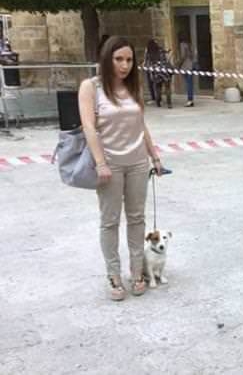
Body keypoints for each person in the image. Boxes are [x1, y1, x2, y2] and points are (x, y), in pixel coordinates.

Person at [78, 36, 166, 301]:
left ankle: (137, 272)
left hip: (138, 162)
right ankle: (114, 275)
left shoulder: (133, 86)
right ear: (107, 59)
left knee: (137, 219)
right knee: (110, 221)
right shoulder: (90, 87)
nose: (124, 65)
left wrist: (155, 157)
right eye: (118, 59)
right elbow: (89, 127)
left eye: (129, 59)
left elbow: (141, 125)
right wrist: (100, 162)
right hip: (110, 164)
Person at [145, 40, 173, 108]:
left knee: (158, 87)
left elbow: (147, 62)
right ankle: (169, 103)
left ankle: (158, 102)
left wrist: (150, 71)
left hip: (156, 71)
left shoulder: (149, 53)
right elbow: (167, 53)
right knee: (167, 87)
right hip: (164, 70)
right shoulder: (160, 50)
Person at [177, 33, 195, 107]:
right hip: (191, 65)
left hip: (185, 66)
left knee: (188, 84)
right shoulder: (190, 45)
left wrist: (178, 65)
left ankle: (189, 100)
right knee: (190, 83)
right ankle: (190, 99)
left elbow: (183, 56)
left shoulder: (182, 44)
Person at [142, 39, 159, 105]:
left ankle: (153, 98)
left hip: (149, 68)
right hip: (156, 68)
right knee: (156, 83)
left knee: (150, 83)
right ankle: (158, 97)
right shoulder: (158, 49)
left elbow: (145, 58)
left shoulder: (147, 50)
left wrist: (144, 64)